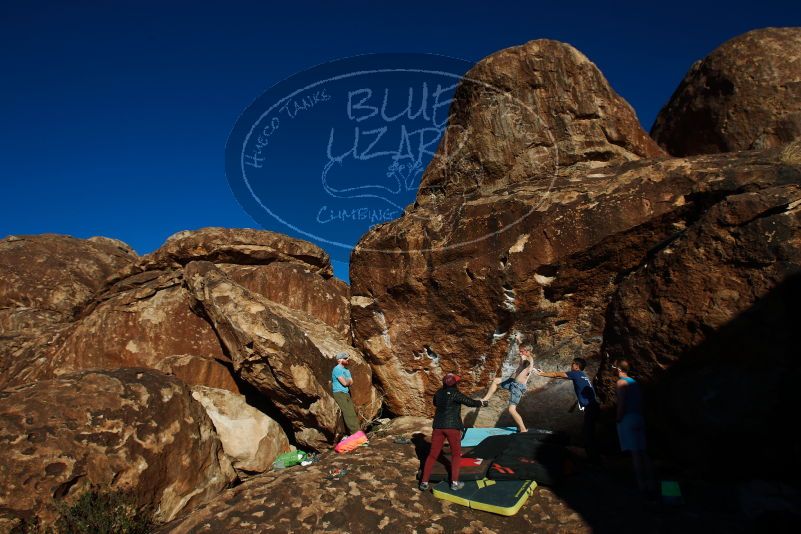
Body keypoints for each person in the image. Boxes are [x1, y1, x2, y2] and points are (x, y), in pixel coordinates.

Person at [419, 373, 487, 491]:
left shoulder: (438, 393)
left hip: (438, 427)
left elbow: (435, 403)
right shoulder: (455, 393)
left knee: (433, 454)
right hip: (452, 428)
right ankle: (454, 483)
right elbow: (470, 402)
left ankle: (424, 482)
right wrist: (481, 402)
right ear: (455, 383)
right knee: (456, 455)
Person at [536, 357, 602, 464]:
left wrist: (542, 374)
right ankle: (593, 456)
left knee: (588, 434)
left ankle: (593, 459)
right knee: (589, 432)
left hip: (591, 408)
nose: (571, 366)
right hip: (594, 406)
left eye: (572, 364)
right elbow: (562, 377)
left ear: (576, 366)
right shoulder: (582, 375)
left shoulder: (576, 374)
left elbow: (557, 374)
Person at [613, 358, 656, 496]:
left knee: (635, 454)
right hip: (639, 417)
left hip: (628, 419)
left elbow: (622, 403)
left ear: (619, 369)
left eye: (614, 367)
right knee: (644, 452)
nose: (613, 369)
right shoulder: (635, 383)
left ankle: (641, 486)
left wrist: (618, 418)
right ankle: (652, 483)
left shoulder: (621, 382)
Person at [480, 345, 534, 432]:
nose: (520, 353)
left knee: (511, 410)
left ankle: (523, 429)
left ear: (527, 352)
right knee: (496, 381)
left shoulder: (528, 360)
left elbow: (526, 363)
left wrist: (523, 358)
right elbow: (524, 349)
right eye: (520, 351)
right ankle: (485, 399)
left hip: (518, 387)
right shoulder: (525, 354)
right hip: (513, 382)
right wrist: (518, 339)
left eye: (522, 351)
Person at [331, 352, 361, 437]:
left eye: (347, 358)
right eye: (345, 358)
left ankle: (358, 435)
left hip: (346, 394)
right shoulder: (337, 369)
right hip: (339, 393)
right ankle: (356, 436)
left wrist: (348, 382)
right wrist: (348, 381)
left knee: (352, 414)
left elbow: (351, 382)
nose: (347, 359)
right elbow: (345, 383)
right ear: (339, 360)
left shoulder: (346, 370)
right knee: (348, 414)